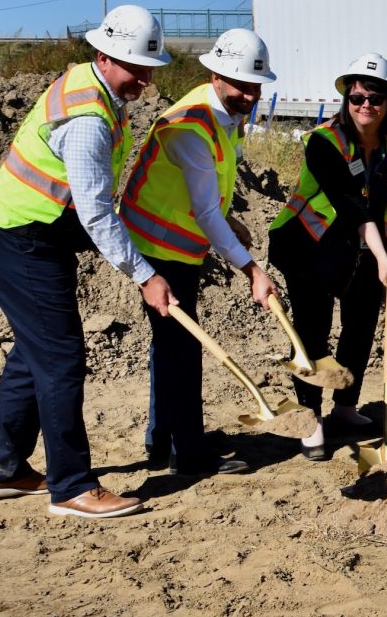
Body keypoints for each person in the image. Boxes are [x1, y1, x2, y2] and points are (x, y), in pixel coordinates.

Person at [0, 4, 175, 518]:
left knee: (34, 352)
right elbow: (95, 213)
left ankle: (3, 469)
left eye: (150, 69)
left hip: (36, 232)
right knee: (61, 359)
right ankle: (72, 487)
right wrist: (146, 276)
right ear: (104, 56)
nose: (146, 80)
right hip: (24, 237)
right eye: (136, 68)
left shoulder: (97, 88)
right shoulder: (86, 117)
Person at [119, 28, 280, 478]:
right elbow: (204, 211)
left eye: (256, 84)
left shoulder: (223, 114)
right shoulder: (192, 125)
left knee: (171, 346)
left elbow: (208, 196)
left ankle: (162, 439)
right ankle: (188, 454)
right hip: (157, 247)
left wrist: (227, 220)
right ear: (215, 75)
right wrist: (251, 270)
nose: (250, 94)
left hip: (176, 241)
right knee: (183, 349)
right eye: (241, 85)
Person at [268, 53, 387, 461]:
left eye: (375, 97)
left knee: (360, 328)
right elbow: (350, 205)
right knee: (313, 333)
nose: (365, 105)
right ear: (346, 101)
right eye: (356, 97)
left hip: (364, 251)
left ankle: (345, 408)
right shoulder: (324, 141)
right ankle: (310, 419)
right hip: (310, 248)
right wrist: (385, 258)